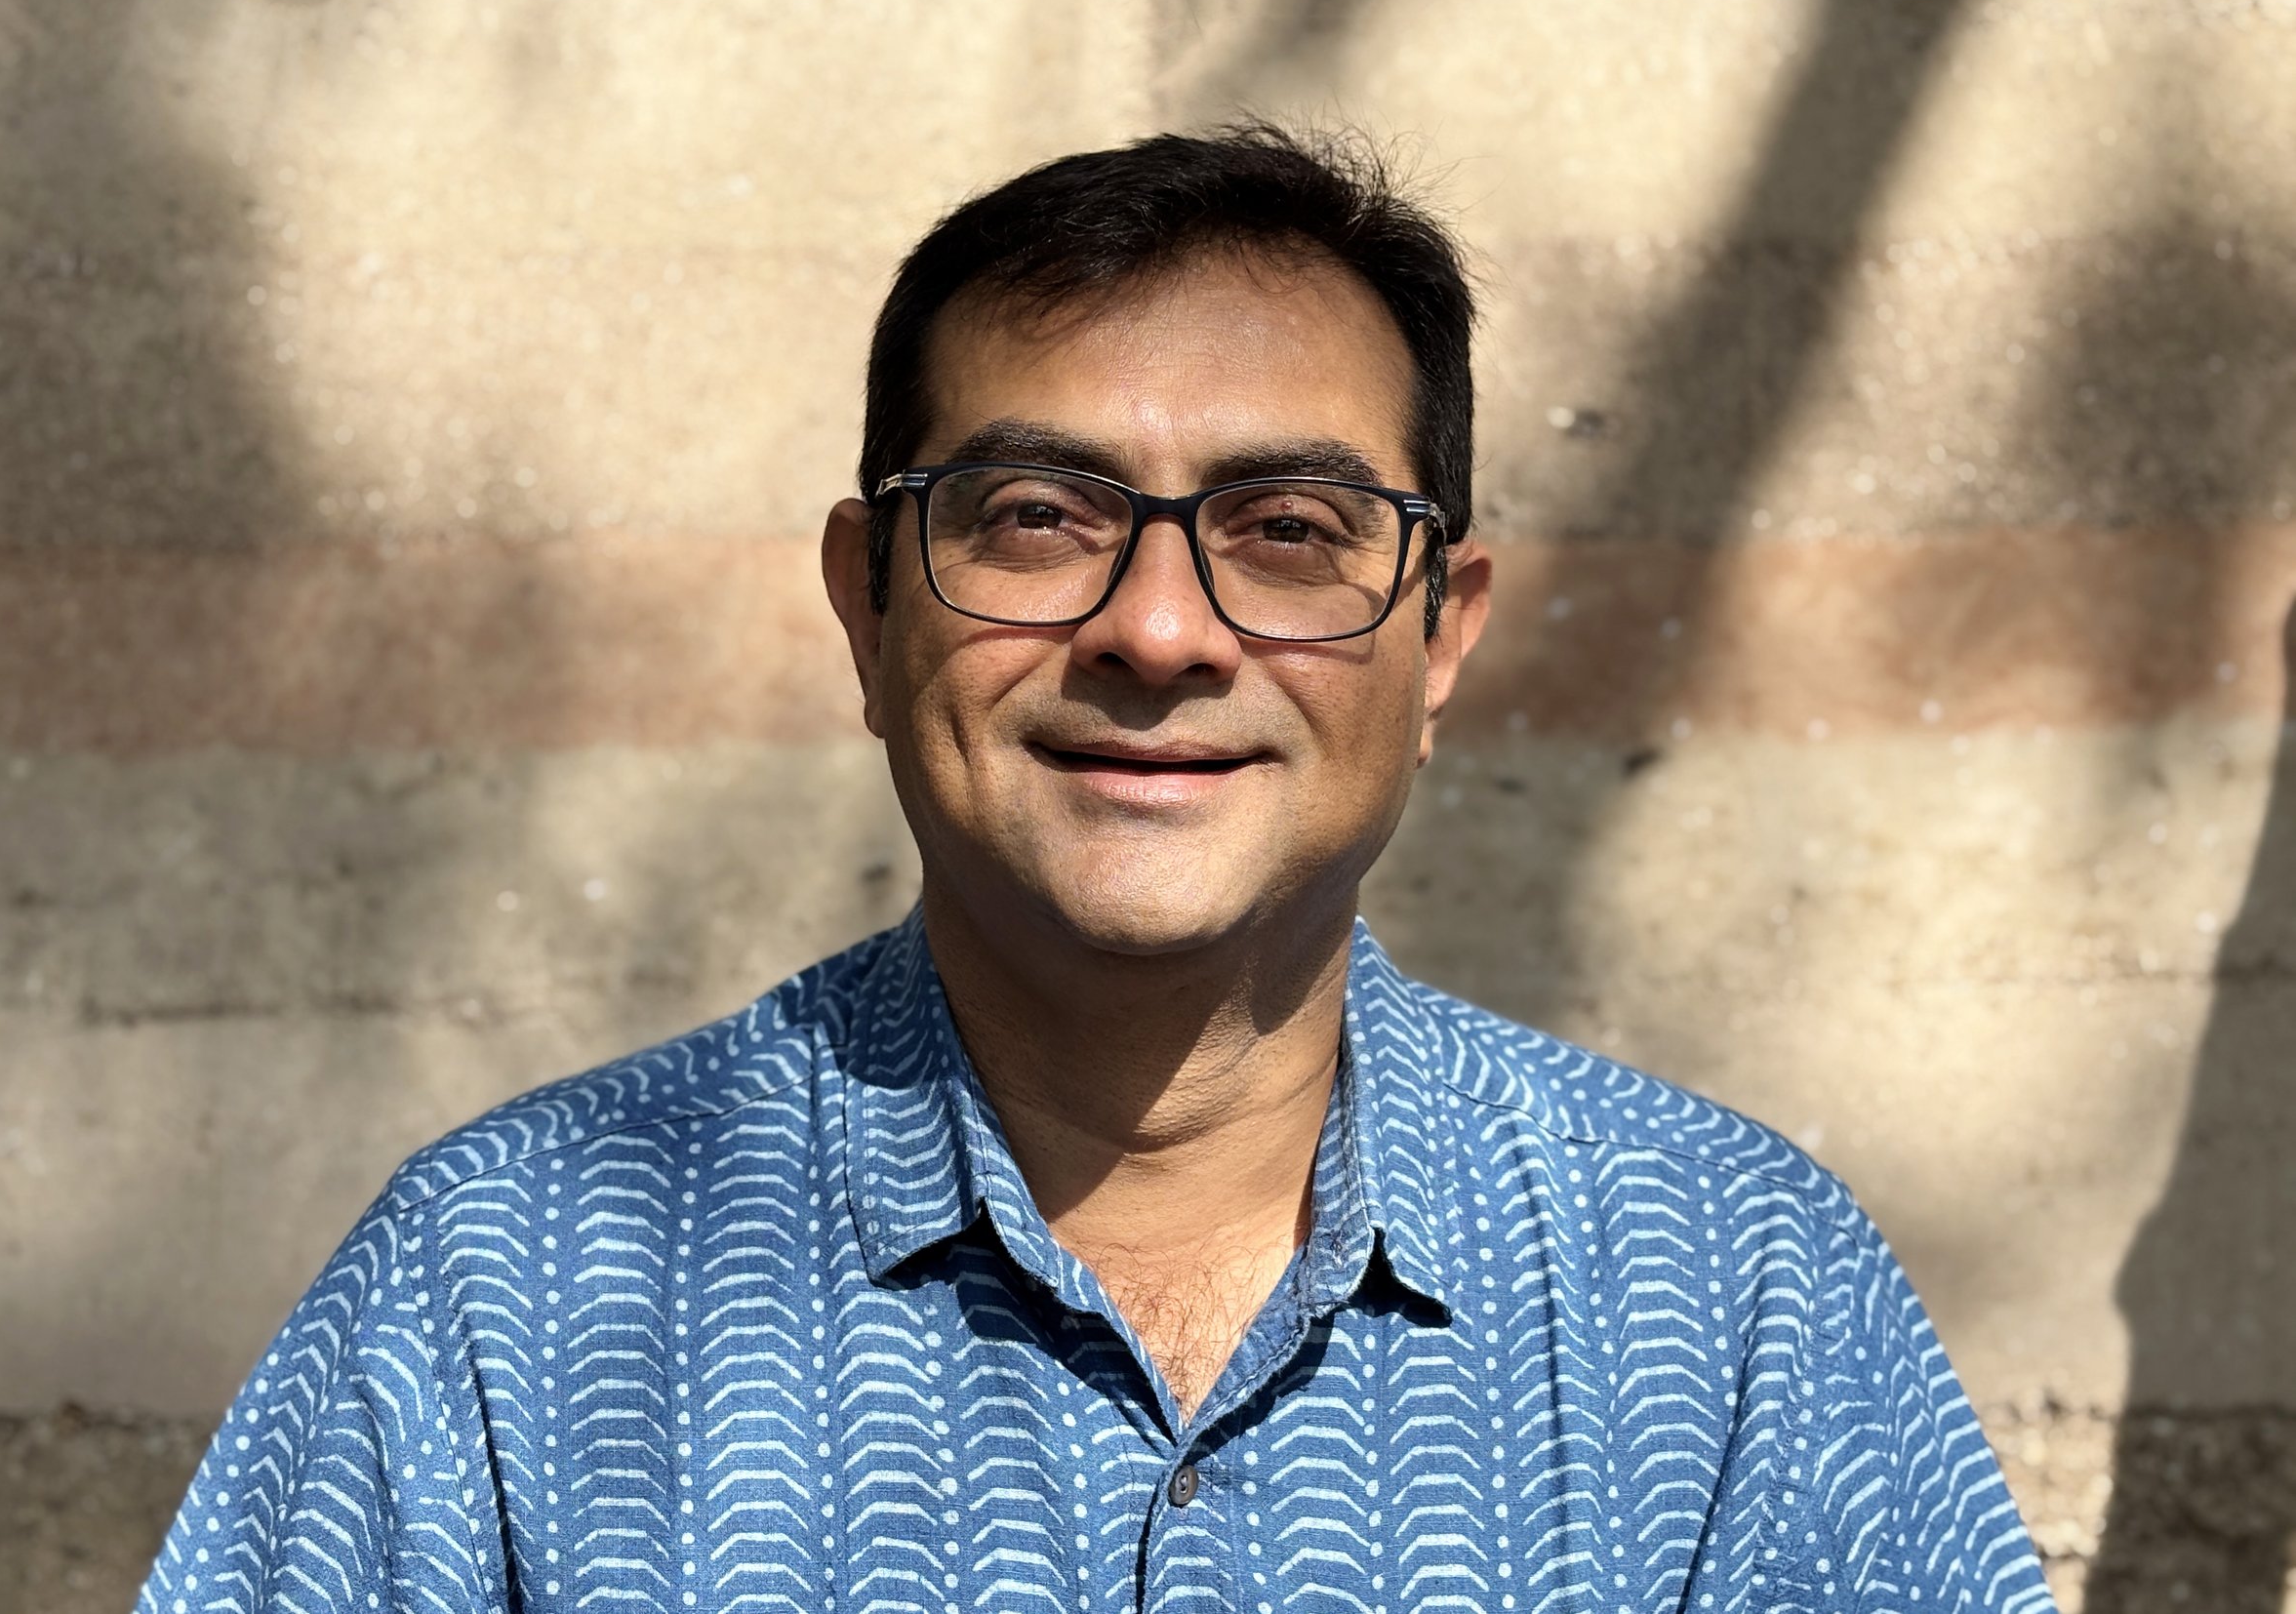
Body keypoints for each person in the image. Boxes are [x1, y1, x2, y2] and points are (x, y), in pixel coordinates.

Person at [139, 127, 2055, 1614]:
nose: (1154, 631)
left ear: (1438, 630)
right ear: (865, 599)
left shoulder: (1726, 1301)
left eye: (1287, 527)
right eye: (1035, 520)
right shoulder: (505, 1299)